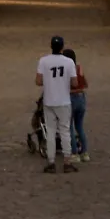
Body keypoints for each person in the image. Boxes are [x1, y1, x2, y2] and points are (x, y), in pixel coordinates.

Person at [34, 34, 78, 173]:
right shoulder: (69, 62)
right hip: (64, 101)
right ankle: (67, 161)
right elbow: (75, 83)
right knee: (65, 131)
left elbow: (38, 81)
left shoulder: (43, 61)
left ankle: (51, 162)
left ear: (51, 46)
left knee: (51, 132)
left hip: (49, 101)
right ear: (62, 47)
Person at [63, 46, 89, 161]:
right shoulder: (79, 68)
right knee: (80, 127)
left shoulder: (66, 69)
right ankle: (85, 153)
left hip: (71, 98)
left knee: (69, 128)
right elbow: (85, 84)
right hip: (81, 98)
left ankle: (74, 153)